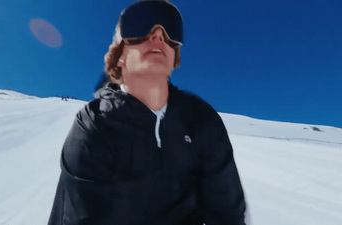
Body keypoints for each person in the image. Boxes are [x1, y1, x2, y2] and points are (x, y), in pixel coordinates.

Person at [48, 0, 246, 224]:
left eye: (171, 31)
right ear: (119, 56)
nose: (158, 35)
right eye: (139, 26)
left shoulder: (201, 121)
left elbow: (228, 214)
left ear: (174, 58)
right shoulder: (96, 124)